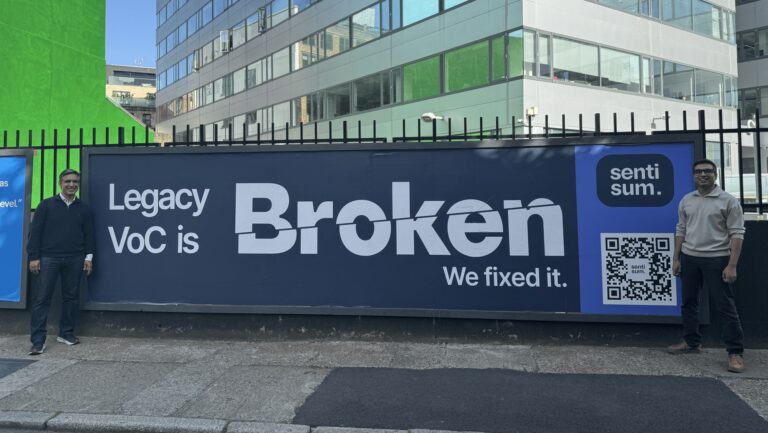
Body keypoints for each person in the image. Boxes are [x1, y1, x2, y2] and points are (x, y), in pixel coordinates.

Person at [667, 159, 745, 373]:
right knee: (689, 303)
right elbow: (681, 229)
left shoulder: (728, 201)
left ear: (715, 175)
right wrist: (676, 258)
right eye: (699, 171)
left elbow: (737, 234)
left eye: (708, 171)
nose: (703, 175)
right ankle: (691, 342)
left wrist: (732, 265)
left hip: (717, 259)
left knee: (725, 307)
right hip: (689, 258)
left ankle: (735, 352)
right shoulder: (686, 200)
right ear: (693, 176)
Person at [27, 168, 95, 355]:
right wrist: (33, 257)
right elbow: (35, 234)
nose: (72, 185)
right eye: (68, 182)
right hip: (49, 258)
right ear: (60, 183)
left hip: (75, 258)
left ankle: (66, 333)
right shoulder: (46, 205)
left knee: (71, 298)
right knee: (42, 299)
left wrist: (88, 257)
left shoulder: (84, 209)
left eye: (75, 182)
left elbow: (89, 235)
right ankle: (38, 341)